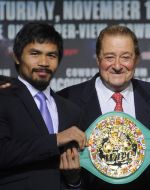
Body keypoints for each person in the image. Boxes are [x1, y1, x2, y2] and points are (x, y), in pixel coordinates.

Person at [58, 25, 150, 190]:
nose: (117, 65)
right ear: (98, 59)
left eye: (125, 57)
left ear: (136, 59)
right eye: (109, 57)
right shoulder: (67, 100)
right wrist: (73, 181)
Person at [0, 22, 86, 190]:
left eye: (51, 55)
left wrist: (74, 180)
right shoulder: (3, 97)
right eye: (35, 53)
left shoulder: (72, 111)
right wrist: (56, 139)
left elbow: (80, 171)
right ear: (17, 57)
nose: (44, 62)